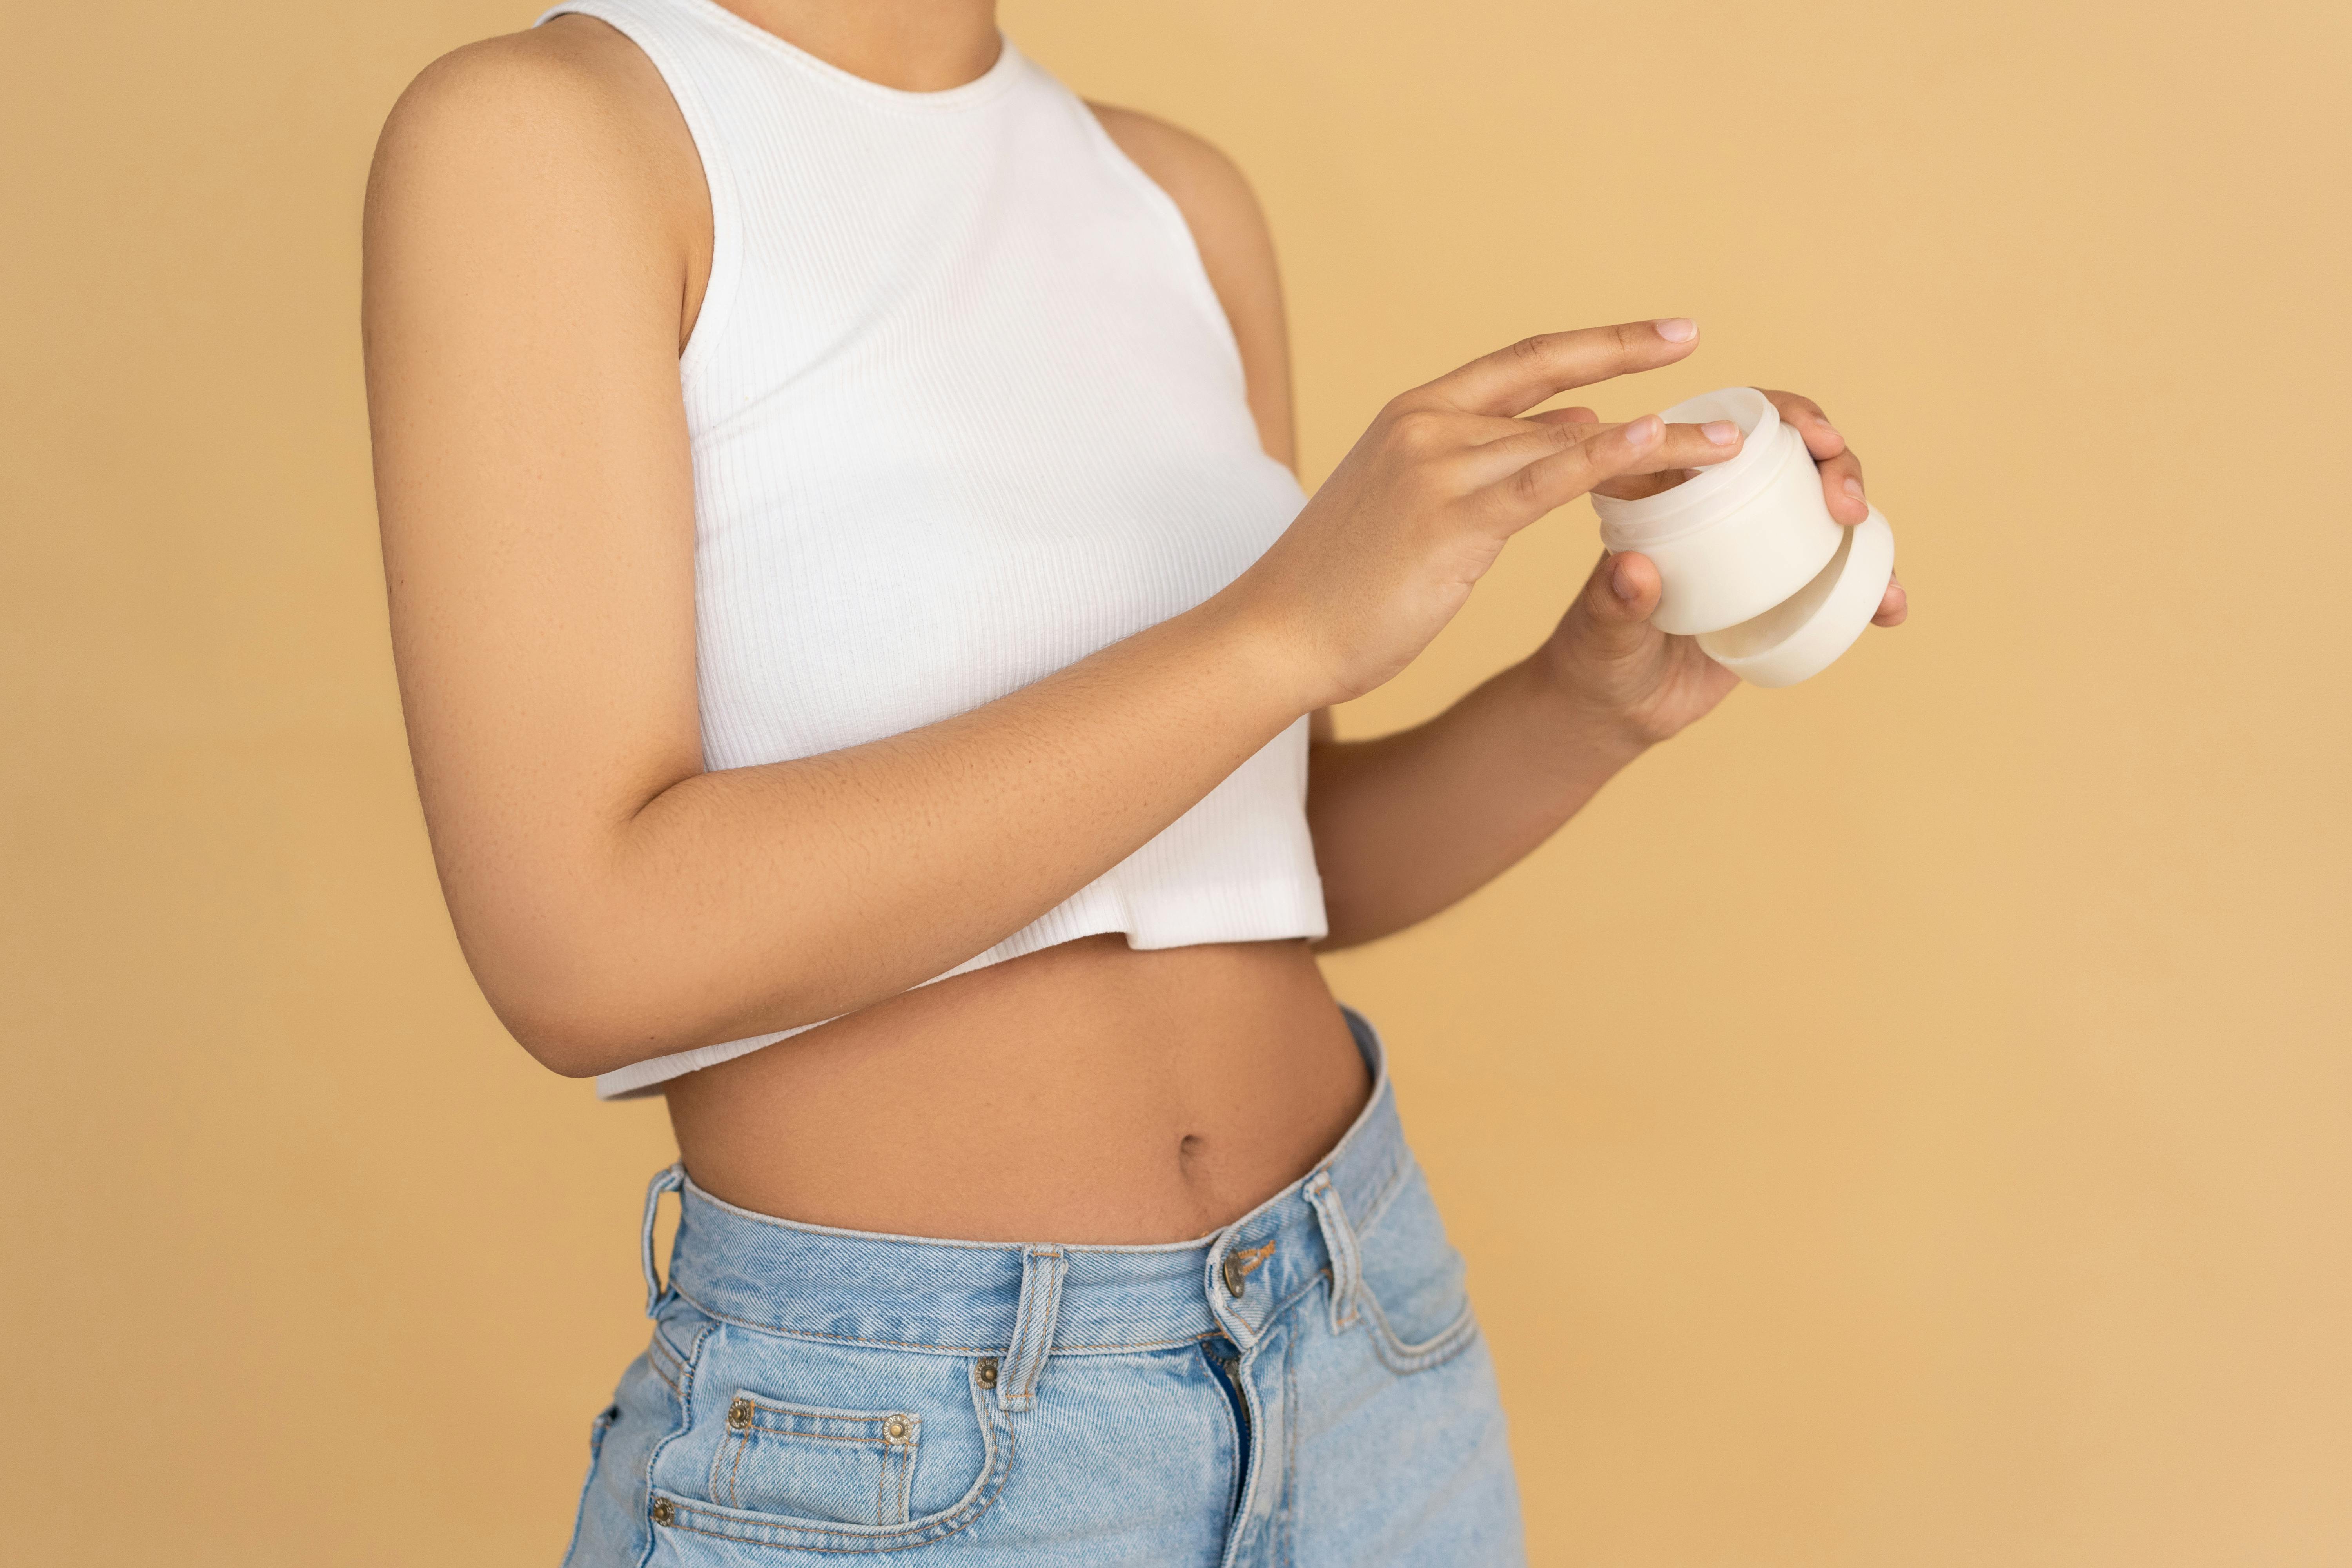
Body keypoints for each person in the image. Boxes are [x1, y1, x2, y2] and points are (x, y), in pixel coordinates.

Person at [362, 0, 1906, 1561]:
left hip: (1366, 1347)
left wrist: (1585, 705)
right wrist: (1278, 631)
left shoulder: (1176, 197)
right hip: (899, 1440)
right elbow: (585, 949)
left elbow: (1272, 857)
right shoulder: (557, 138)